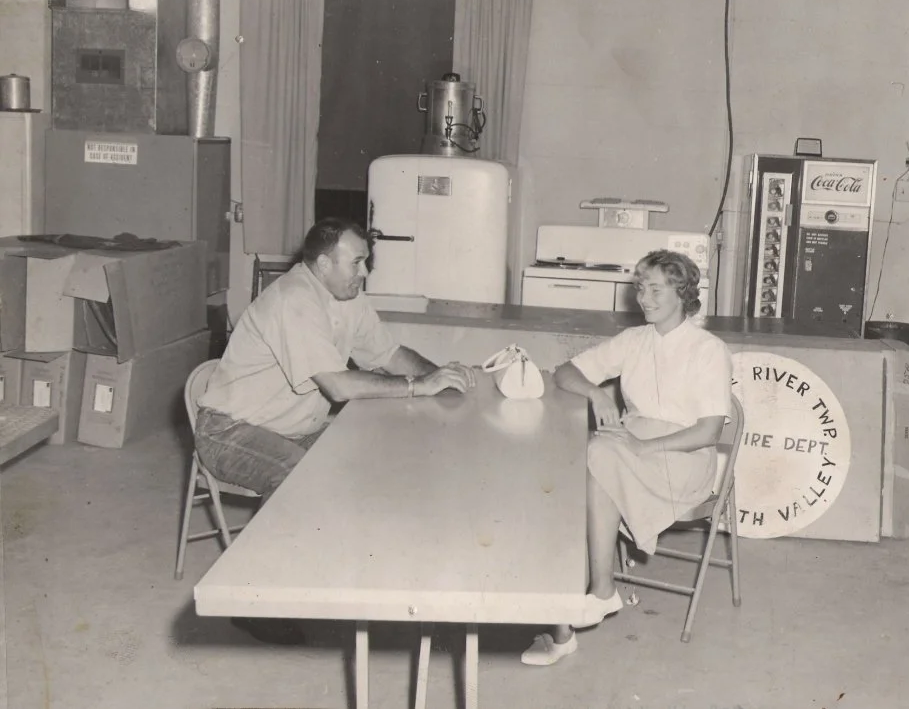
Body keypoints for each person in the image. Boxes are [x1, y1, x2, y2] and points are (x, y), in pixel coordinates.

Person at [194, 217, 476, 644]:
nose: (364, 273)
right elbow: (340, 386)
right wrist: (420, 387)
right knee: (297, 478)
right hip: (229, 430)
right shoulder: (295, 300)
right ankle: (254, 603)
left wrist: (442, 377)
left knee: (380, 458)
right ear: (324, 264)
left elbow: (388, 354)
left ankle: (356, 576)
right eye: (358, 262)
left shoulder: (346, 297)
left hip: (290, 426)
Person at [520, 249, 732, 666]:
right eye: (640, 287)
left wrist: (642, 446)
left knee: (597, 456)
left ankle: (592, 597)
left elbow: (709, 431)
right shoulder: (634, 341)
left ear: (683, 293)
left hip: (683, 460)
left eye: (656, 288)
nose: (644, 298)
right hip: (631, 451)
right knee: (579, 470)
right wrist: (598, 391)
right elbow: (565, 372)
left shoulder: (708, 350)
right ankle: (578, 607)